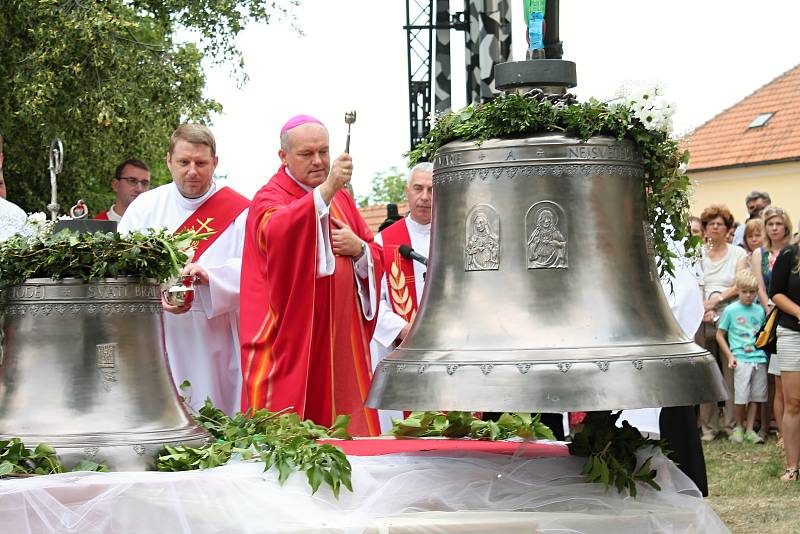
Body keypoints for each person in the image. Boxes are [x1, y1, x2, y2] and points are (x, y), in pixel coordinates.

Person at [240, 115, 383, 436]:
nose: (318, 161)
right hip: (293, 337)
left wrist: (359, 249)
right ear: (284, 157)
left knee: (348, 434)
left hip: (340, 340)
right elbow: (275, 233)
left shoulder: (343, 199)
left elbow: (375, 252)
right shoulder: (270, 196)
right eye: (307, 154)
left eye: (324, 151)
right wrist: (328, 189)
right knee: (292, 440)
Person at [118, 124, 249, 416]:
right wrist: (155, 293)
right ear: (168, 161)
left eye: (201, 163)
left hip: (215, 333)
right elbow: (123, 265)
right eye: (183, 162)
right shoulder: (144, 208)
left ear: (215, 163)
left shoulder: (241, 212)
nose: (192, 171)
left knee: (216, 413)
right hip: (159, 331)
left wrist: (211, 278)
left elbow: (255, 272)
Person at [370, 162, 432, 431]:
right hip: (401, 348)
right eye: (418, 188)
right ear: (407, 192)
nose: (425, 196)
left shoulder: (456, 238)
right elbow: (373, 301)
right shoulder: (385, 242)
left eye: (432, 189)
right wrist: (403, 329)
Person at [696, 205, 749, 441]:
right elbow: (694, 283)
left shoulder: (737, 253)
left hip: (730, 316)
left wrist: (715, 301)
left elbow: (740, 284)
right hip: (700, 316)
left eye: (720, 224)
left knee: (729, 370)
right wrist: (702, 307)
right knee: (705, 371)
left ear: (728, 229)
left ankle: (731, 425)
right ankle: (707, 427)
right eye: (711, 224)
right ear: (705, 228)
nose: (715, 227)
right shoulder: (695, 252)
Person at [753, 206, 793, 444]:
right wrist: (769, 308)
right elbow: (759, 285)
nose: (775, 228)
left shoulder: (792, 250)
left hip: (791, 314)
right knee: (778, 379)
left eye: (778, 224)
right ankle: (781, 432)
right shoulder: (761, 253)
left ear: (785, 225)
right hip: (771, 316)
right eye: (770, 224)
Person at [716, 270, 768, 444]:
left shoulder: (759, 310)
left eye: (752, 292)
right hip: (740, 358)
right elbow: (719, 335)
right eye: (744, 291)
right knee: (741, 396)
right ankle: (738, 427)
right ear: (737, 290)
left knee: (756, 396)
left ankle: (750, 429)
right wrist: (730, 356)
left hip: (759, 358)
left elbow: (762, 334)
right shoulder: (731, 310)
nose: (748, 295)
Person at [768, 235, 800, 481]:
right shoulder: (790, 255)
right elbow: (775, 292)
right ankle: (792, 467)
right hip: (792, 333)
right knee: (794, 402)